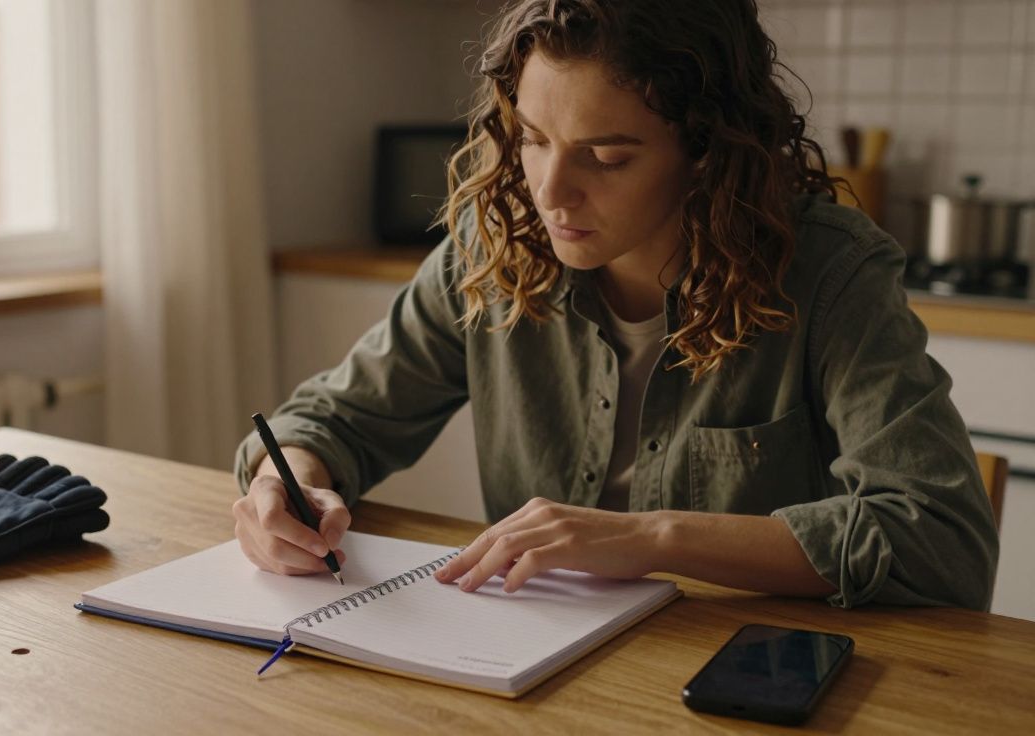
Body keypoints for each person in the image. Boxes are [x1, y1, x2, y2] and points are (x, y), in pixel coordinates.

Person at [232, 0, 999, 609]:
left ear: (707, 150)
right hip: (534, 668)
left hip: (748, 674)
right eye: (532, 139)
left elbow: (940, 537)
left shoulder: (830, 271)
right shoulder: (494, 247)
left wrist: (653, 537)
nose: (549, 191)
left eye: (605, 156)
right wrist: (282, 483)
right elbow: (331, 420)